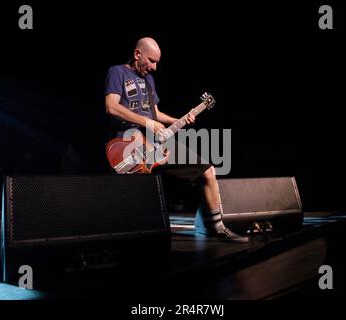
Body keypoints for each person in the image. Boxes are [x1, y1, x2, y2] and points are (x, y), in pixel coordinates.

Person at [104, 37, 248, 243]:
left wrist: (179, 119)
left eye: (157, 62)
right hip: (129, 145)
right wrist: (146, 122)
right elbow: (111, 107)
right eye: (151, 61)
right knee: (133, 200)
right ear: (137, 54)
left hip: (156, 142)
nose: (155, 67)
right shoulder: (117, 72)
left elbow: (155, 113)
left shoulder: (149, 80)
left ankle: (217, 227)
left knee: (207, 170)